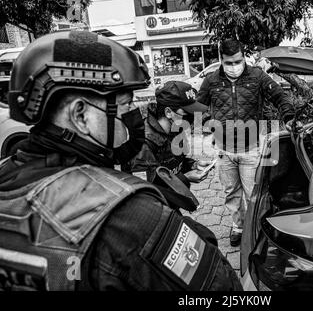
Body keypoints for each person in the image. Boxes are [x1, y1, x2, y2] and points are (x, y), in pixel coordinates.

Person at [0, 31, 242, 291]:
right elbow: (222, 287)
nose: (133, 117)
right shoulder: (133, 215)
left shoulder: (6, 175)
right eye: (125, 107)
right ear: (81, 115)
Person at [197, 39, 294, 247]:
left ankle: (256, 228)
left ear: (243, 57)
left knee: (253, 193)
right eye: (229, 62)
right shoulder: (211, 80)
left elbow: (279, 96)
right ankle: (238, 226)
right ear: (221, 60)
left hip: (251, 148)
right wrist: (207, 122)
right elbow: (199, 106)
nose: (234, 67)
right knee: (231, 192)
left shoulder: (257, 76)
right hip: (224, 150)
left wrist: (289, 116)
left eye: (238, 61)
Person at [129, 80, 212, 187]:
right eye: (187, 113)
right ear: (168, 112)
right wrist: (185, 178)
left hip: (178, 198)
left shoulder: (176, 129)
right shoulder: (143, 143)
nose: (192, 117)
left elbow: (177, 162)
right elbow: (145, 186)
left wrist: (194, 165)